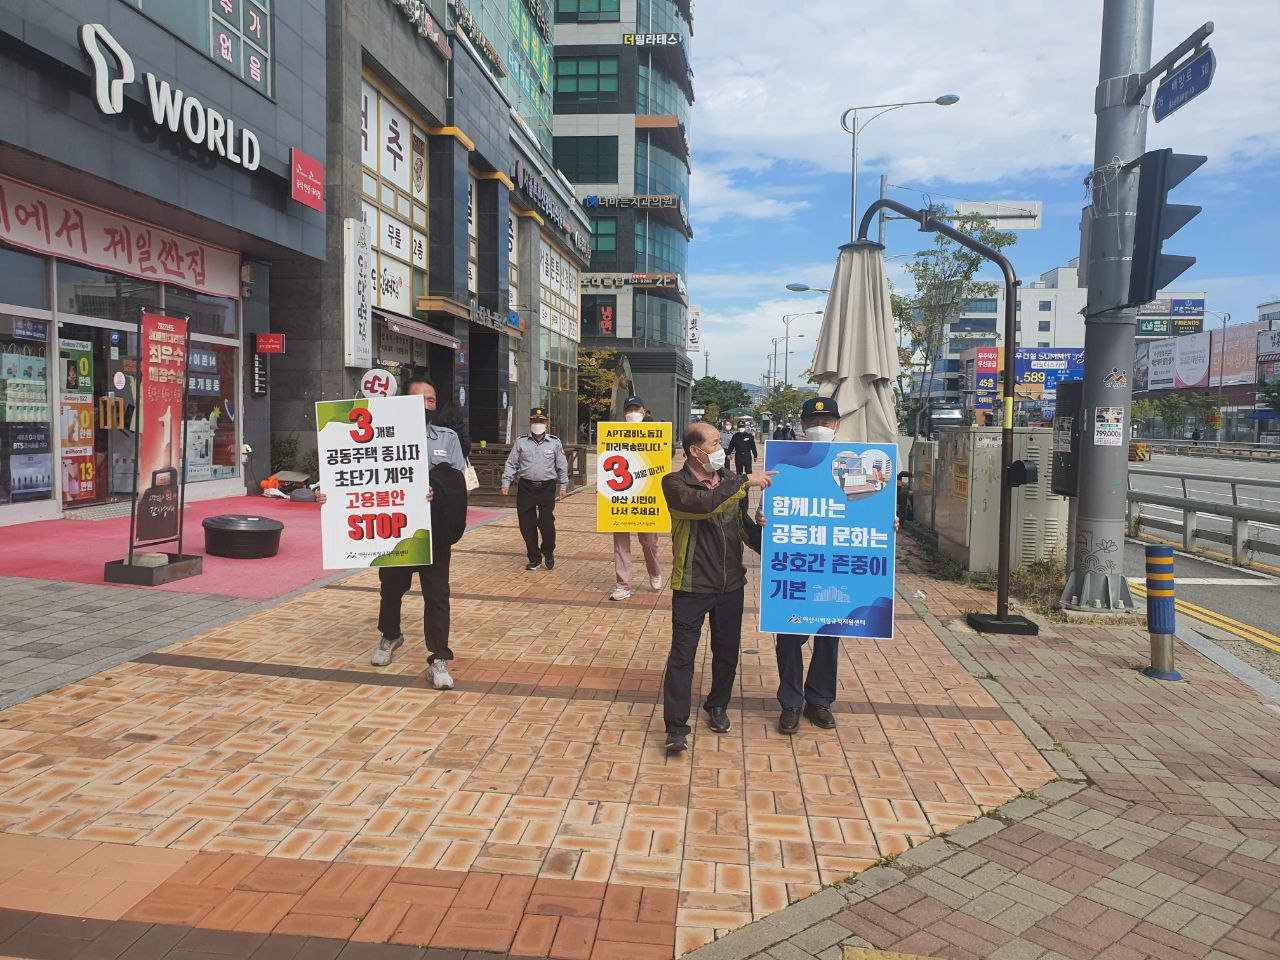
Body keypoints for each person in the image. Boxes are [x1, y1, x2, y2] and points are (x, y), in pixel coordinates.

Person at [315, 376, 467, 689]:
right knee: (391, 588)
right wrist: (329, 495)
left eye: (431, 399)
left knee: (437, 595)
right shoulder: (372, 437)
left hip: (432, 531)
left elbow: (458, 484)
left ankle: (439, 657)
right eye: (419, 399)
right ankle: (391, 635)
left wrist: (437, 490)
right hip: (393, 529)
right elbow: (350, 474)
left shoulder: (447, 438)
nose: (426, 405)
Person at [772, 397, 899, 734]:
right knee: (788, 638)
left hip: (834, 572)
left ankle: (819, 701)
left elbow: (866, 511)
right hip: (797, 572)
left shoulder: (853, 464)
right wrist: (763, 520)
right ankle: (790, 703)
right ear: (802, 426)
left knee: (829, 637)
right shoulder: (783, 465)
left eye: (827, 422)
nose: (821, 427)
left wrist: (887, 521)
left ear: (837, 426)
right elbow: (772, 518)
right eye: (815, 422)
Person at [660, 422, 774, 753]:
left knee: (726, 652)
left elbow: (744, 530)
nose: (720, 447)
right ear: (695, 451)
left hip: (731, 584)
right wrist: (743, 482)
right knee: (682, 656)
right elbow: (702, 505)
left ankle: (717, 705)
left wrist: (779, 541)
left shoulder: (727, 481)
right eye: (713, 443)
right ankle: (676, 726)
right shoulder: (674, 483)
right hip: (692, 584)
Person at [609, 396, 663, 601]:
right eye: (629, 409)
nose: (633, 412)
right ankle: (622, 584)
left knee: (649, 542)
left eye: (636, 408)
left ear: (644, 411)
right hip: (621, 496)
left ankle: (654, 571)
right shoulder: (614, 435)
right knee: (620, 543)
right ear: (624, 413)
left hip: (646, 495)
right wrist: (604, 487)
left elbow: (665, 457)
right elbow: (608, 461)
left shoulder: (656, 433)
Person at [502, 407, 568, 570]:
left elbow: (562, 465)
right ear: (530, 422)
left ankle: (548, 551)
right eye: (535, 421)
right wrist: (506, 482)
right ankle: (534, 557)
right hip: (526, 487)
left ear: (547, 423)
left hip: (546, 487)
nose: (538, 423)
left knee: (545, 521)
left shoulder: (554, 442)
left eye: (541, 421)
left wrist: (564, 485)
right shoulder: (521, 441)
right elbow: (511, 463)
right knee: (526, 524)